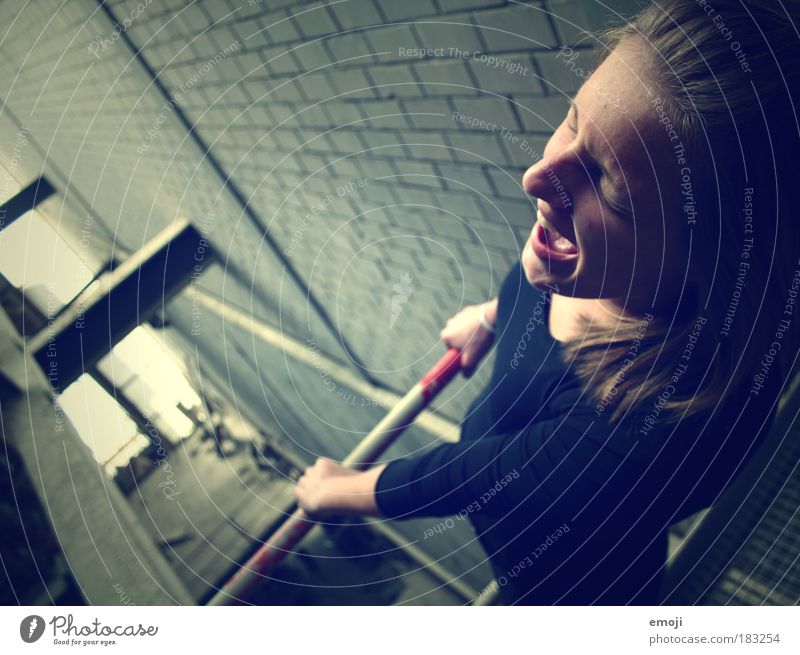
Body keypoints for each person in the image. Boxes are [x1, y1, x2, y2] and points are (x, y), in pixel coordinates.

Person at [295, 0, 800, 604]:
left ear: (710, 263)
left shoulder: (652, 425)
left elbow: (479, 475)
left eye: (610, 186)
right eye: (572, 120)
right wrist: (491, 315)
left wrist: (341, 489)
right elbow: (533, 291)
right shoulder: (590, 260)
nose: (537, 175)